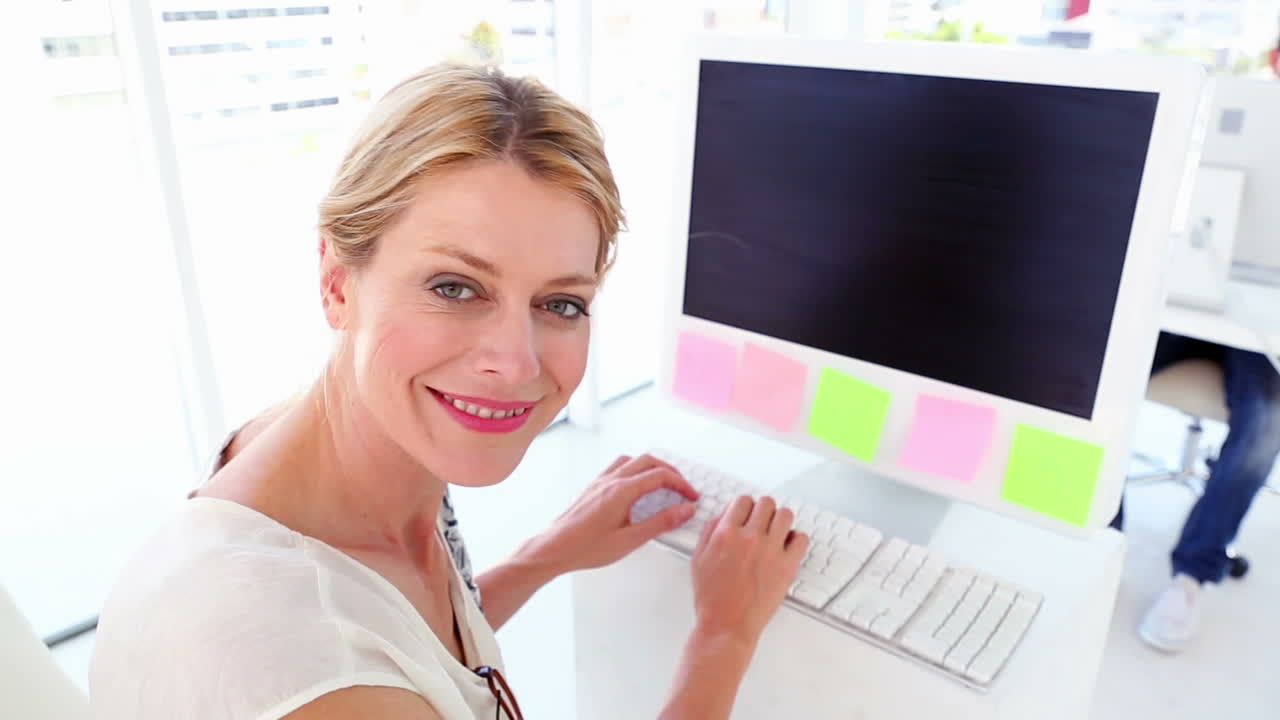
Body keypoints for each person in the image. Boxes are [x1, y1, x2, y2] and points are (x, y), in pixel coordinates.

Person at [89, 64, 809, 719]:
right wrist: (724, 634)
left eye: (561, 303)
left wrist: (545, 555)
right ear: (337, 282)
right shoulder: (293, 664)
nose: (516, 363)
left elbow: (403, 648)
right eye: (455, 288)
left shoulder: (344, 452)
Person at [1112, 331, 1280, 653]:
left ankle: (1192, 575)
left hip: (1261, 336)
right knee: (1101, 368)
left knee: (1268, 419)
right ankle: (1103, 534)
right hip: (1174, 318)